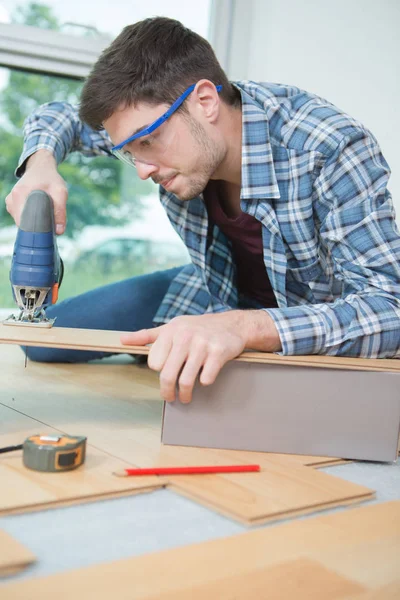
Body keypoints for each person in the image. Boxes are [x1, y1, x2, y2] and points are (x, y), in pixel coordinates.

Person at [5, 17, 400, 403]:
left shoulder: (327, 147)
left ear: (205, 101)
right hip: (216, 294)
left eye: (148, 141)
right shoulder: (156, 117)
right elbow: (56, 116)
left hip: (299, 320)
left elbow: (390, 308)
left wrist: (243, 327)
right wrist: (40, 164)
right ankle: (172, 349)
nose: (142, 170)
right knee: (42, 344)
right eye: (128, 152)